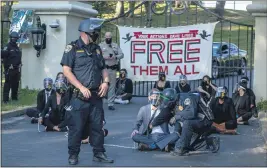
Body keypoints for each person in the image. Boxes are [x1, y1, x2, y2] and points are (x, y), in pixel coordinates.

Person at [60, 18, 113, 165]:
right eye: (94, 32)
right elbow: (66, 70)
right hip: (79, 96)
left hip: (96, 95)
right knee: (76, 127)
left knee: (97, 126)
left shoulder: (96, 49)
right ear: (86, 32)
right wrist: (81, 87)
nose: (96, 34)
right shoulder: (72, 48)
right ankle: (73, 155)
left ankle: (99, 153)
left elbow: (103, 68)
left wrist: (106, 82)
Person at [171, 91, 220, 156]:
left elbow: (191, 113)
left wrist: (176, 117)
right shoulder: (180, 100)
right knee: (191, 146)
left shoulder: (187, 98)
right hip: (198, 120)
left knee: (187, 123)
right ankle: (211, 141)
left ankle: (182, 149)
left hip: (205, 120)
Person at [99, 32, 124, 111]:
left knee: (112, 86)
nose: (108, 38)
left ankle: (110, 103)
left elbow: (122, 54)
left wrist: (115, 57)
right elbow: (97, 55)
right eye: (107, 37)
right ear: (105, 37)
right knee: (101, 85)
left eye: (110, 37)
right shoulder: (101, 45)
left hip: (113, 69)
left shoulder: (115, 45)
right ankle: (99, 102)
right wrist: (104, 57)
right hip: (103, 69)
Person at [1, 32, 22, 103]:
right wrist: (7, 65)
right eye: (13, 38)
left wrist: (20, 64)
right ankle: (5, 100)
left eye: (16, 38)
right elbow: (2, 56)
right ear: (11, 38)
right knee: (8, 84)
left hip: (17, 69)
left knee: (16, 84)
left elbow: (18, 57)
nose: (14, 39)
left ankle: (14, 98)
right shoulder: (7, 47)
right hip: (10, 69)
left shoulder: (17, 47)